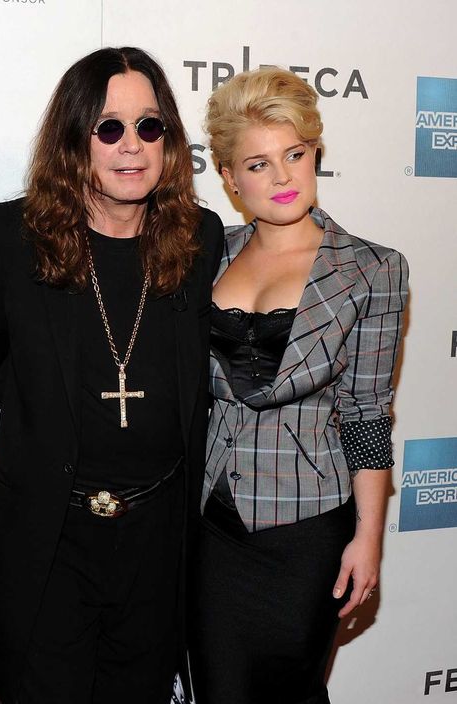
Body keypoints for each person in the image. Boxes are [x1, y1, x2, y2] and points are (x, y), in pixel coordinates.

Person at [0, 47, 224, 703]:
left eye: (150, 126)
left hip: (158, 540)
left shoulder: (200, 239)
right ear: (75, 138)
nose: (132, 146)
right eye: (109, 127)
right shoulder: (15, 235)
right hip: (53, 540)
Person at [190, 67, 408, 704]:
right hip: (211, 522)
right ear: (229, 178)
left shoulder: (372, 268)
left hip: (308, 528)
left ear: (316, 155)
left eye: (294, 155)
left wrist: (368, 539)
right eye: (258, 163)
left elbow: (367, 413)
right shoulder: (208, 254)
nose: (282, 177)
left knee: (291, 691)